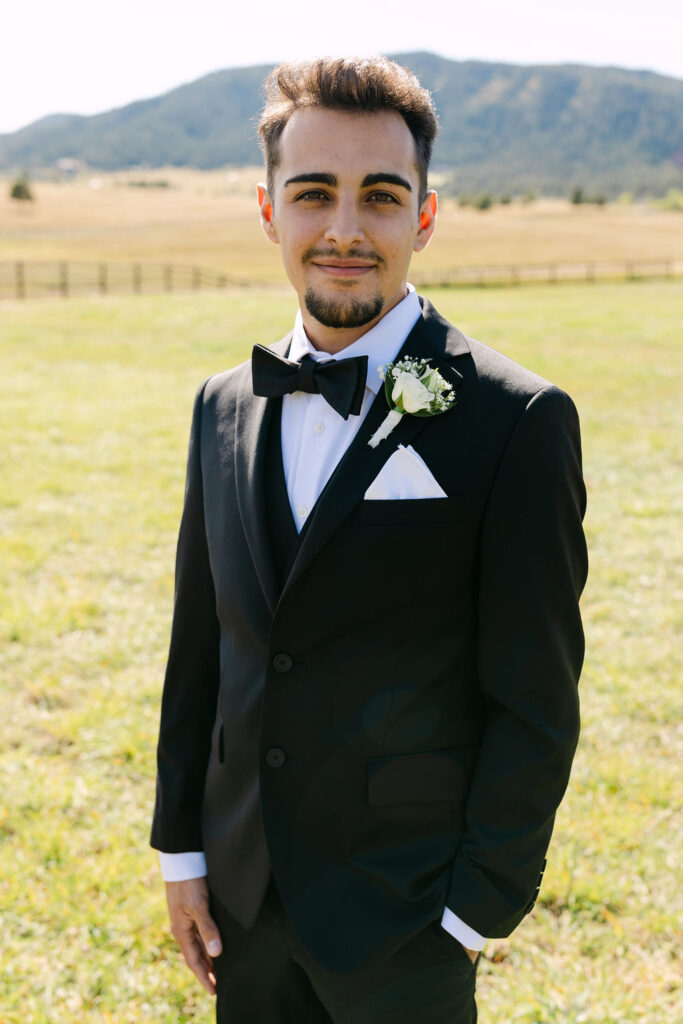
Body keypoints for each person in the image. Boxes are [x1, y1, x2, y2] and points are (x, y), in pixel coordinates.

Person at [151, 56, 588, 1024]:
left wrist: (473, 911)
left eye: (380, 197)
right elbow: (202, 645)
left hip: (407, 913)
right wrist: (183, 853)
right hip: (242, 899)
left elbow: (535, 693)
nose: (345, 229)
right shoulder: (219, 405)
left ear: (422, 217)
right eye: (313, 194)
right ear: (268, 210)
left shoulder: (516, 419)